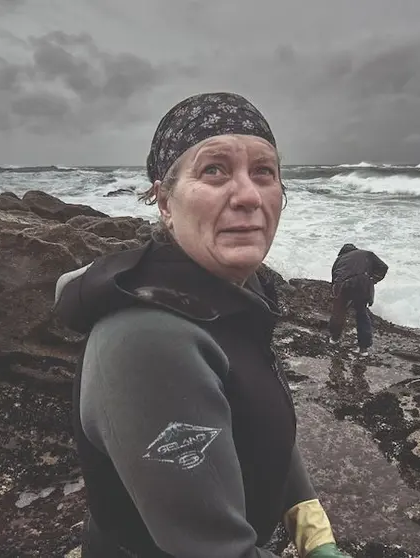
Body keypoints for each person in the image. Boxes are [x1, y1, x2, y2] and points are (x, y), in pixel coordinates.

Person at [53, 92, 350, 558]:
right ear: (164, 201)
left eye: (264, 172)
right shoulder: (148, 340)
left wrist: (311, 528)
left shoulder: (238, 294)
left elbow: (258, 413)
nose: (249, 196)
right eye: (214, 170)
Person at [327, 243, 389, 356]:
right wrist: (373, 279)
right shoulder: (367, 254)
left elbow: (334, 280)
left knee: (338, 312)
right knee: (361, 314)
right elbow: (383, 267)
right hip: (363, 284)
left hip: (342, 285)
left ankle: (334, 339)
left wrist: (337, 296)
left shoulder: (339, 260)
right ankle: (363, 349)